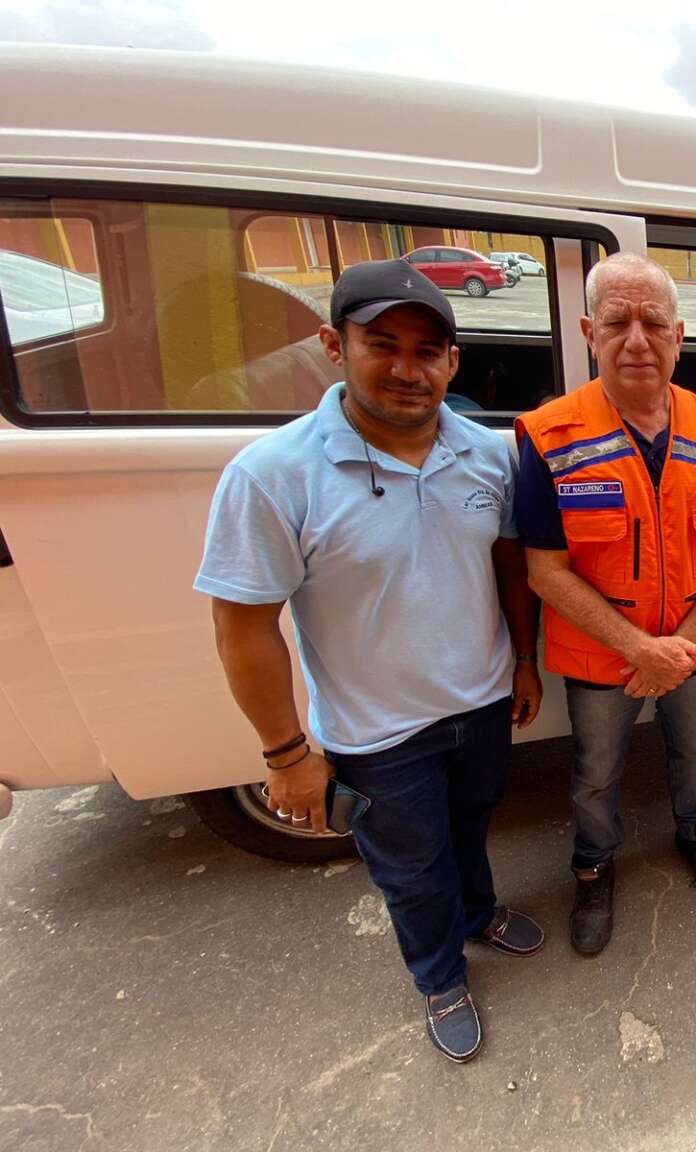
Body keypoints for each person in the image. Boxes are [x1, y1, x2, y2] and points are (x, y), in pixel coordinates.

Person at [194, 259, 545, 1064]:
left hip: (483, 700)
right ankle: (439, 975)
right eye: (381, 344)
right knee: (412, 871)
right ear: (333, 345)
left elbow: (507, 564)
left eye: (428, 351)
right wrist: (286, 754)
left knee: (473, 826)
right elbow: (243, 626)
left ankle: (480, 913)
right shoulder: (272, 474)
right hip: (377, 732)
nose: (407, 368)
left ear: (452, 362)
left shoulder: (488, 453)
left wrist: (523, 660)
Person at [515, 253, 696, 956]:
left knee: (695, 751)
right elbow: (544, 570)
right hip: (603, 659)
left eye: (654, 322)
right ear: (590, 332)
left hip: (692, 648)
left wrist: (674, 647)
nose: (638, 340)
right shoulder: (548, 435)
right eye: (617, 322)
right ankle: (593, 870)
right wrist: (638, 651)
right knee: (595, 772)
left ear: (679, 336)